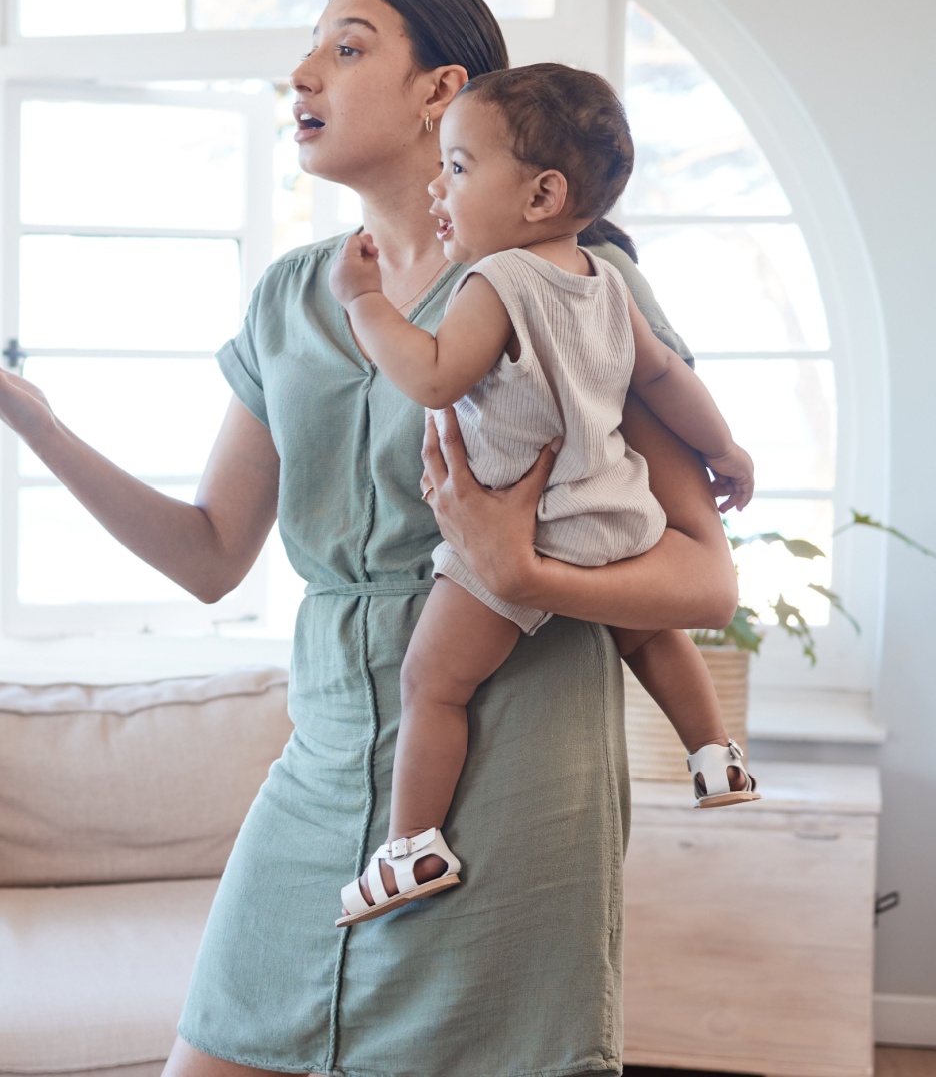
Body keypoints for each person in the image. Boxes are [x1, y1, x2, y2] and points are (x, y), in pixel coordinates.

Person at [0, 0, 735, 1073]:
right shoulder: (290, 300)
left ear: (443, 90)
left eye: (345, 49)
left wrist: (516, 568)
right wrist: (40, 427)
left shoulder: (580, 281)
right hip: (327, 769)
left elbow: (705, 577)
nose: (302, 75)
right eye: (308, 50)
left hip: (522, 773)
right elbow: (209, 557)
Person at [325, 63, 760, 929]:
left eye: (456, 168)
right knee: (650, 630)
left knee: (433, 685)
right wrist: (726, 450)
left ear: (540, 194)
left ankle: (411, 844)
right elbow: (665, 377)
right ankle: (714, 753)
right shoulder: (602, 280)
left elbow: (435, 377)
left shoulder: (500, 284)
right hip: (613, 514)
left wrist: (366, 303)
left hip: (524, 536)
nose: (435, 187)